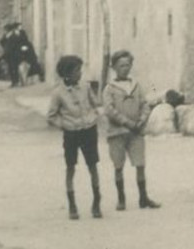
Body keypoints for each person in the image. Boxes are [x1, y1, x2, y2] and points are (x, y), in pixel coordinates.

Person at [103, 49, 162, 210]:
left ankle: (143, 197)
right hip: (117, 133)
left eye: (128, 65)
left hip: (136, 132)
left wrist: (141, 121)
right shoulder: (109, 88)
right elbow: (109, 110)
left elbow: (144, 104)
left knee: (140, 164)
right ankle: (121, 198)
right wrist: (127, 122)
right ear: (114, 67)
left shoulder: (136, 86)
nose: (125, 68)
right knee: (118, 165)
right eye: (121, 65)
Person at [45, 54, 102, 219]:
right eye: (77, 70)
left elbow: (95, 103)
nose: (80, 73)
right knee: (70, 167)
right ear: (67, 73)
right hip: (71, 134)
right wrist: (64, 125)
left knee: (93, 165)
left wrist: (95, 115)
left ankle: (96, 201)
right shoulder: (58, 93)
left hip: (89, 130)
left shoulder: (85, 87)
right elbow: (51, 116)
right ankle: (72, 204)